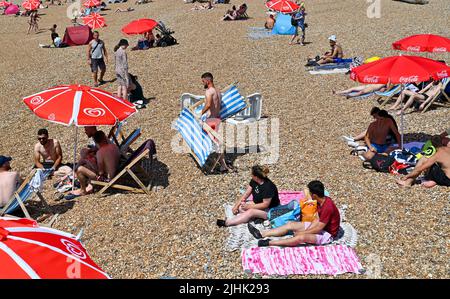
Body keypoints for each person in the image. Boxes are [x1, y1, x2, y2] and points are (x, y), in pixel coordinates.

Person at [248, 180, 340, 247]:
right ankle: (262, 234)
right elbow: (317, 220)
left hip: (328, 234)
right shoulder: (321, 201)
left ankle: (269, 242)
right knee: (290, 224)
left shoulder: (327, 207)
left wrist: (302, 233)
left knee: (301, 238)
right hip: (321, 227)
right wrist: (305, 229)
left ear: (314, 195)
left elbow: (319, 228)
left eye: (310, 193)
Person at [68, 131, 120, 198]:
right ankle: (89, 186)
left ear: (96, 142)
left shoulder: (100, 152)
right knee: (88, 164)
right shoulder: (114, 146)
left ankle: (83, 190)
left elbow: (101, 172)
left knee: (80, 169)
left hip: (107, 179)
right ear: (105, 137)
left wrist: (90, 164)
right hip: (116, 171)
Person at [199, 72, 232, 172]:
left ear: (208, 80)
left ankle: (222, 164)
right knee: (216, 141)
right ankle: (221, 162)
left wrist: (200, 113)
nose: (203, 83)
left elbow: (208, 104)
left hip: (211, 120)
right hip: (218, 118)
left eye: (203, 81)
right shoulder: (218, 91)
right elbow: (219, 106)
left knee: (215, 141)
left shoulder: (209, 91)